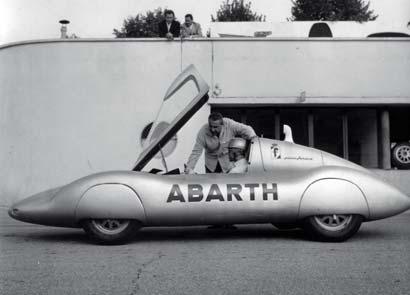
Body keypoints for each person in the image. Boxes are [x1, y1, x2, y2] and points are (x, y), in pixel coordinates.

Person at [185, 112, 256, 174]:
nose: (212, 129)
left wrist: (255, 142)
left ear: (222, 124)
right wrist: (189, 168)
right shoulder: (203, 131)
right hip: (211, 165)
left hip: (227, 164)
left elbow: (248, 130)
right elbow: (196, 152)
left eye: (215, 127)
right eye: (211, 126)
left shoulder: (230, 124)